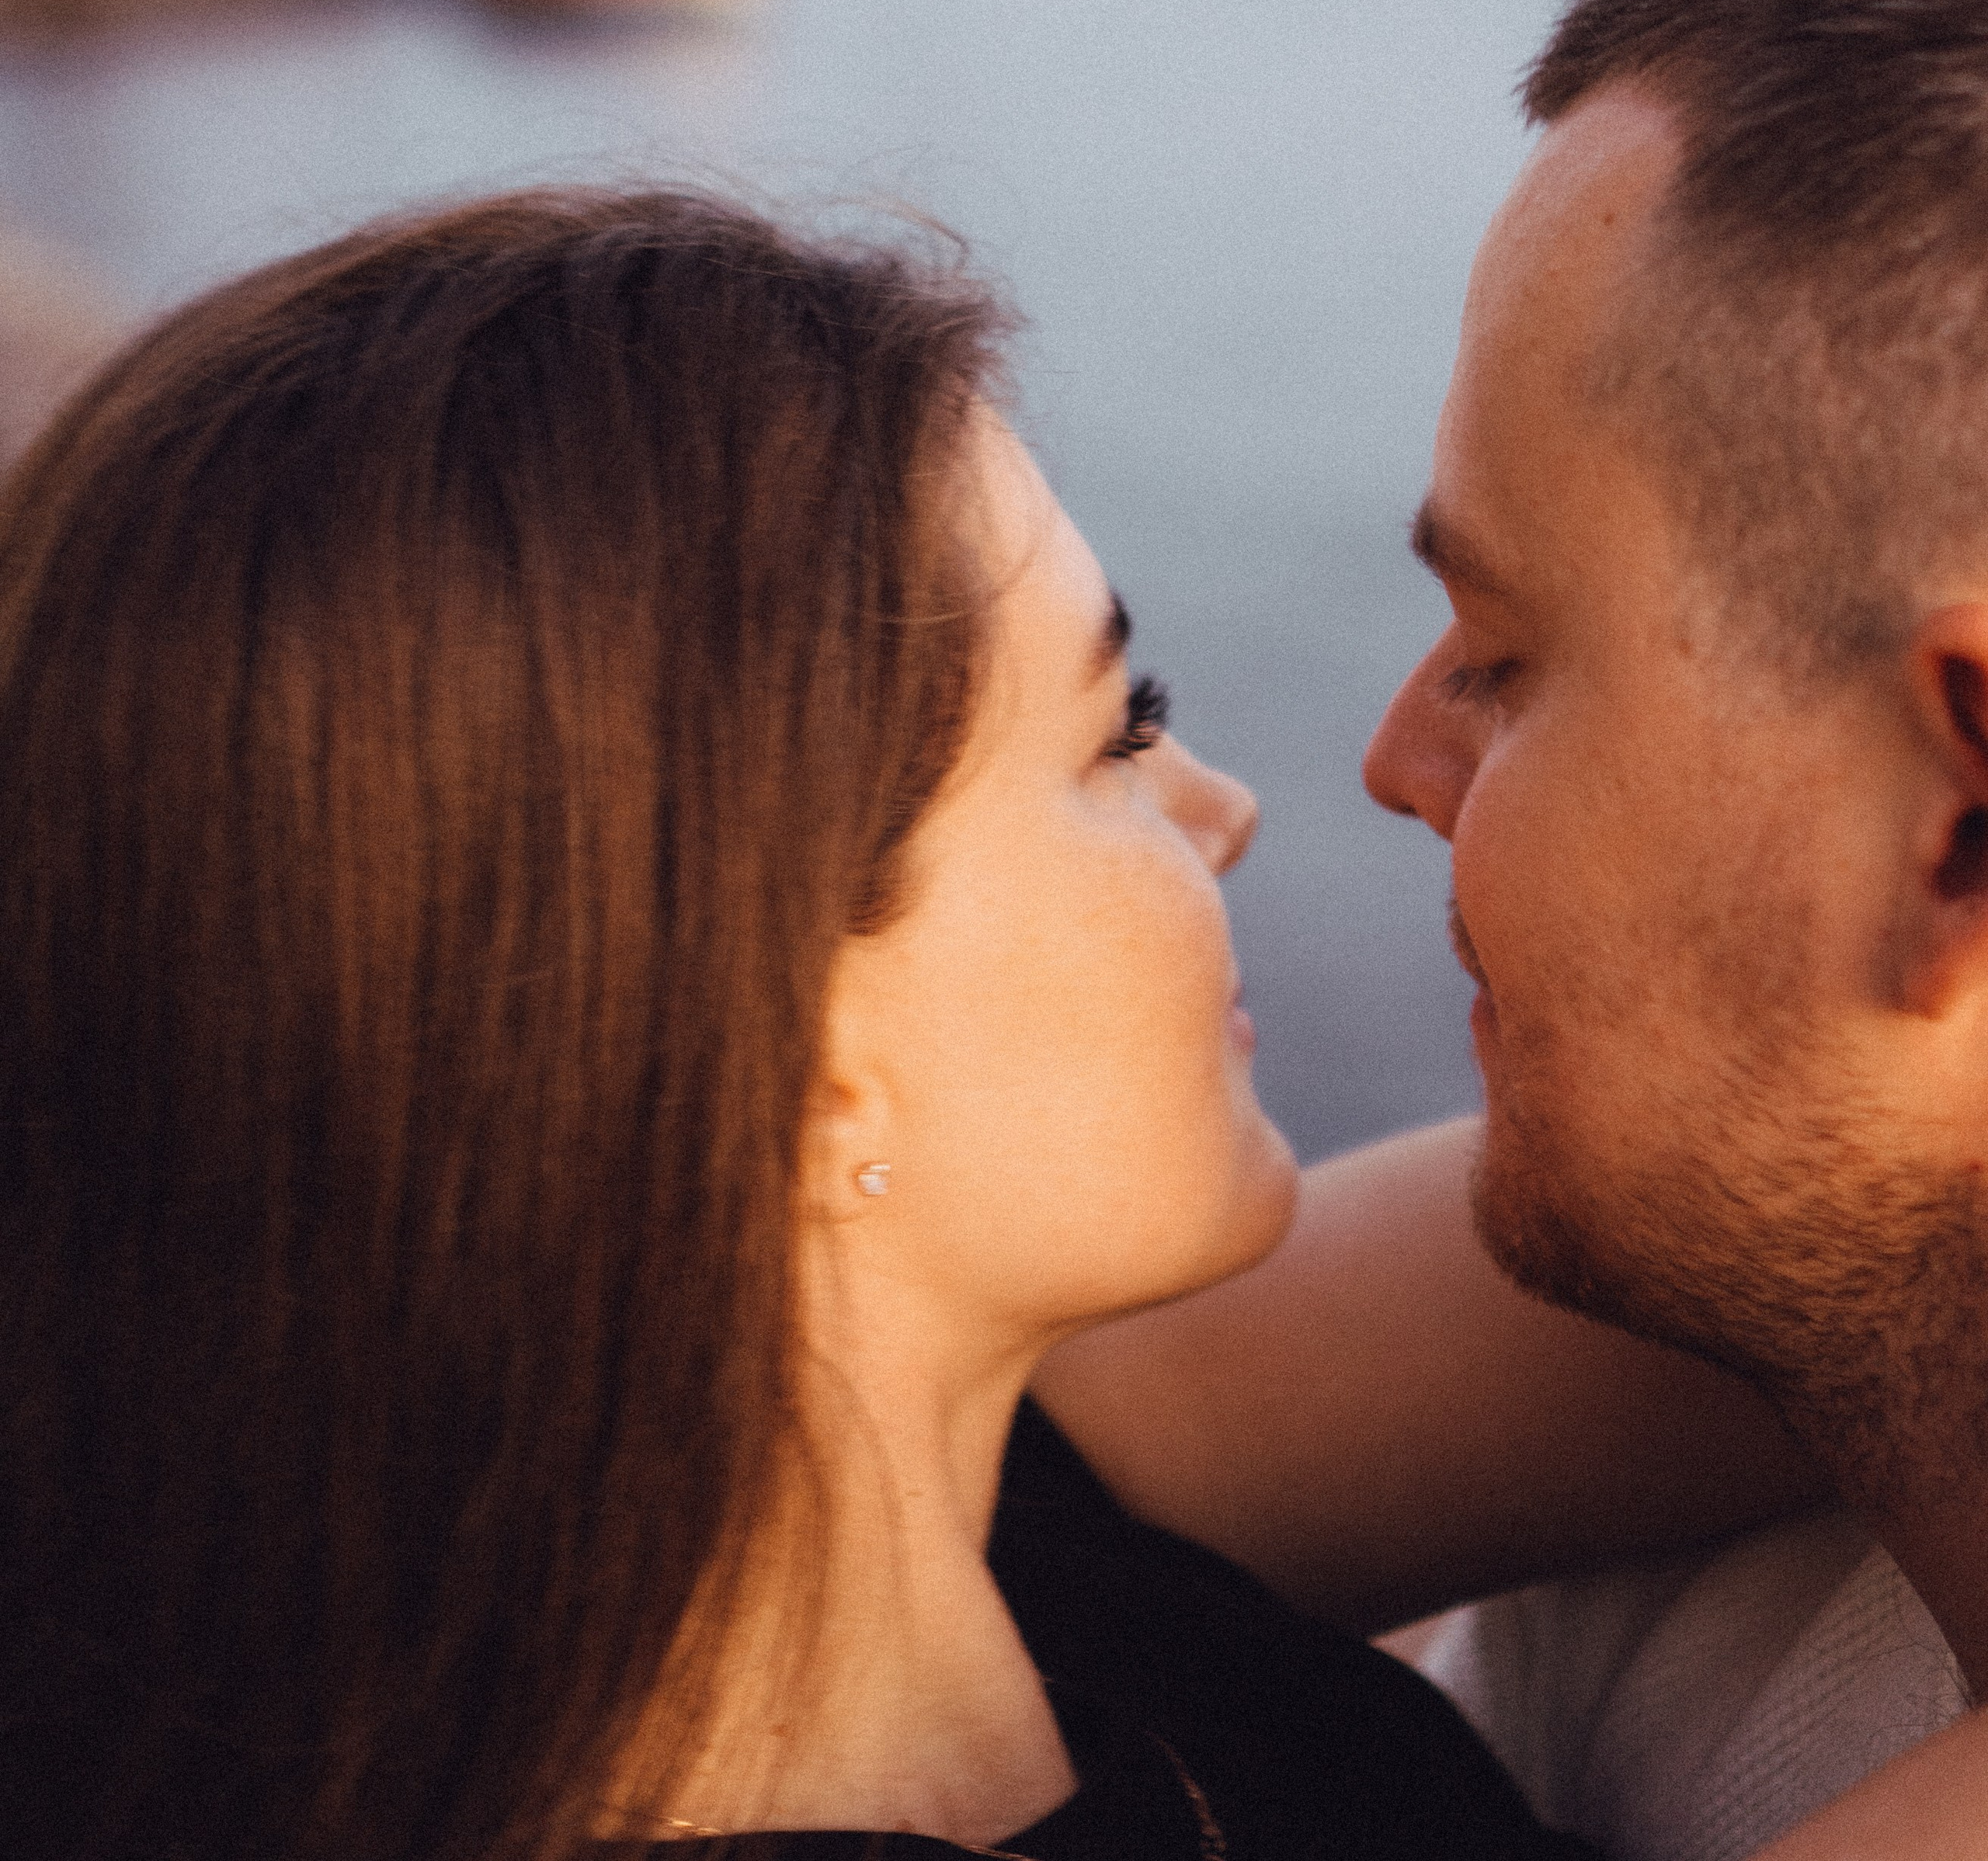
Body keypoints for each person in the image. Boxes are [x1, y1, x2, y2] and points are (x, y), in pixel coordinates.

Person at [0, 184, 1610, 1861]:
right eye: (1113, 739)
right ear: (790, 1050)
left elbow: (1799, 1223)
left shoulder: (994, 1494)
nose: (1226, 809)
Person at [1041, 0, 1988, 1856]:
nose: (1389, 758)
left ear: (1959, 820)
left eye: (1510, 652)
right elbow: (915, 1444)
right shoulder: (1734, 1418)